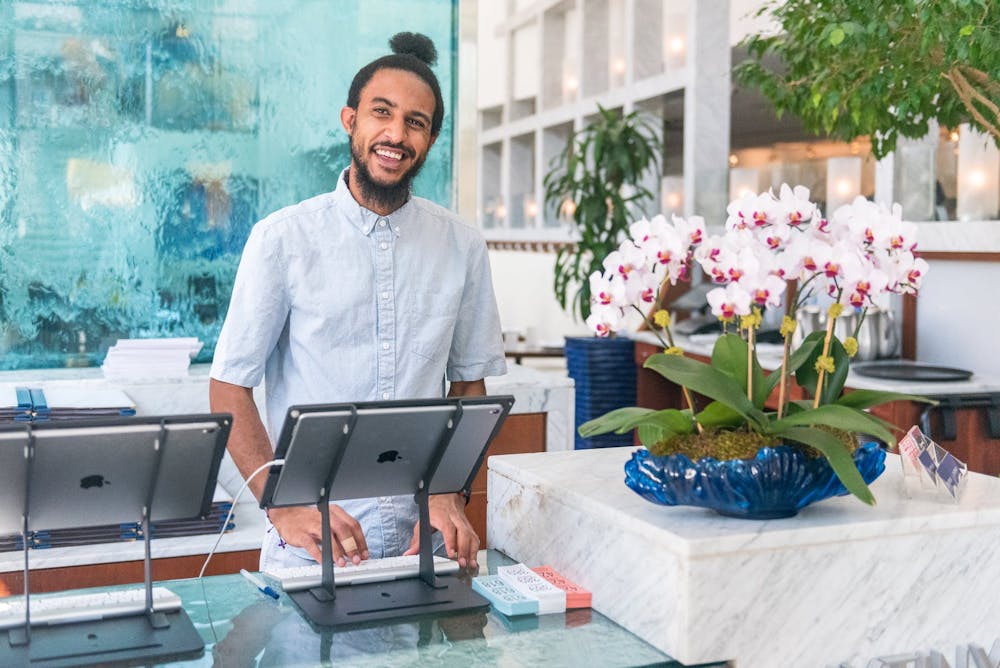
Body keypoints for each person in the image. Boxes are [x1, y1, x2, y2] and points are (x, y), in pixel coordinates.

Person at [209, 32, 506, 574]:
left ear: (432, 138)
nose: (396, 134)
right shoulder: (282, 239)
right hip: (310, 549)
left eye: (416, 121)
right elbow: (229, 387)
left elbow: (468, 388)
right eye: (382, 113)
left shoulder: (462, 245)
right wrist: (282, 503)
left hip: (426, 544)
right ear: (351, 120)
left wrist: (449, 493)